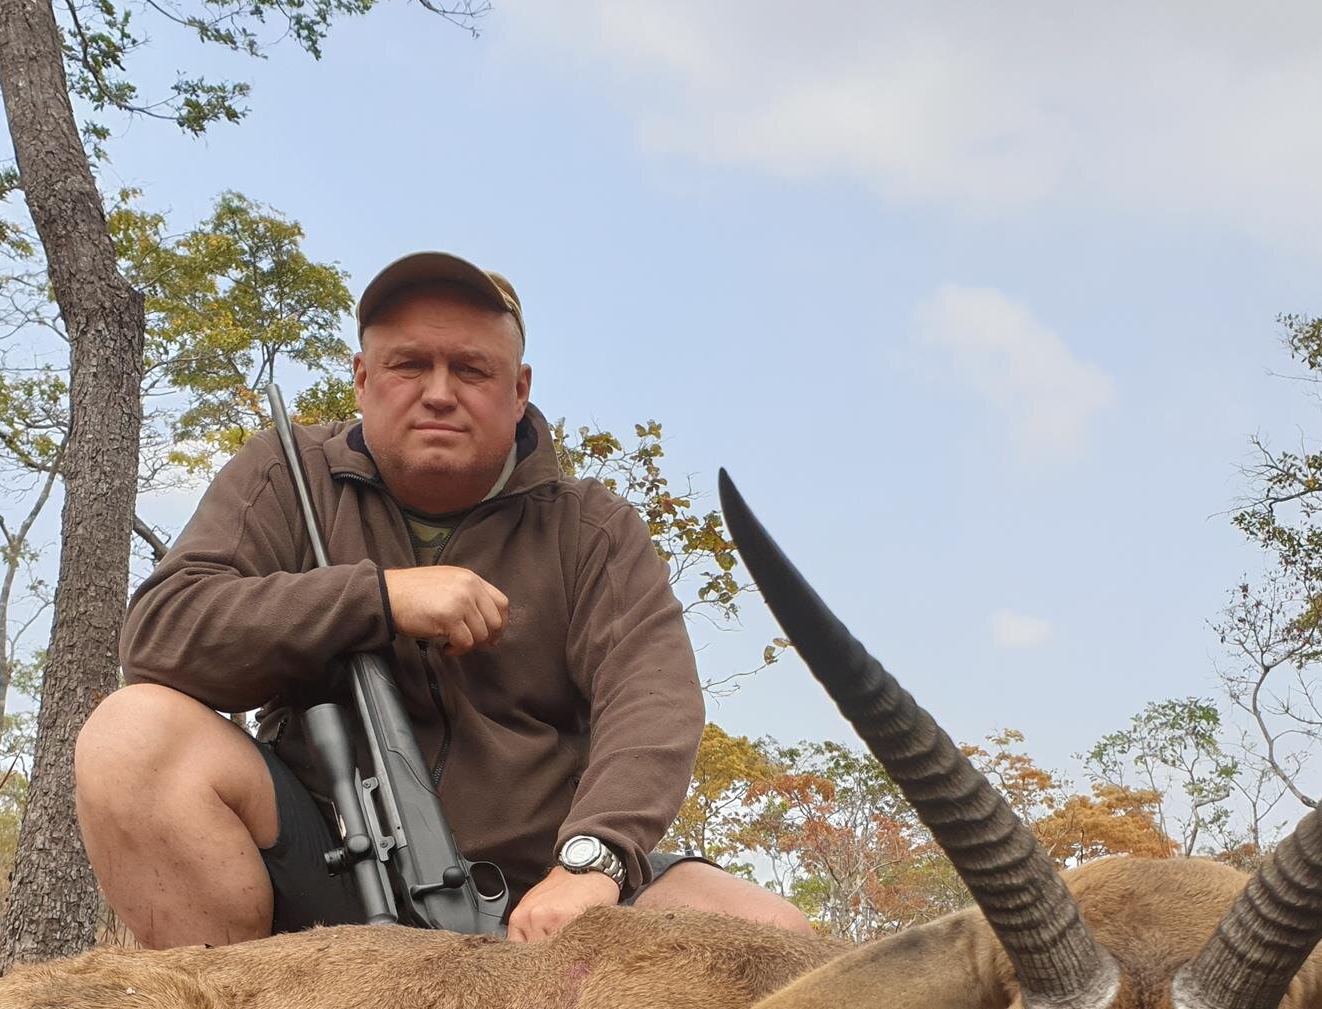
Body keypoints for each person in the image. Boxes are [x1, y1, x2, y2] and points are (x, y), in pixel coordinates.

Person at [73, 251, 812, 949]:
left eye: (470, 369)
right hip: (329, 882)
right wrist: (377, 599)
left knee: (772, 935)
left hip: (546, 906)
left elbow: (653, 701)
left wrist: (592, 862)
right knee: (131, 736)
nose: (437, 391)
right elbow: (164, 634)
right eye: (407, 364)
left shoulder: (593, 528)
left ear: (518, 391)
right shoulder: (281, 472)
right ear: (362, 378)